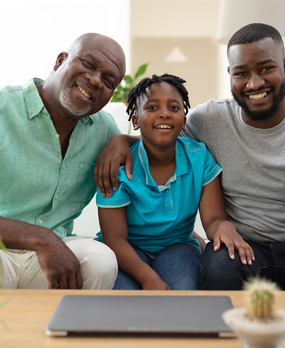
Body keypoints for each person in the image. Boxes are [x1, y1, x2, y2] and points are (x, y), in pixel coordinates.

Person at [94, 23, 285, 291]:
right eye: (241, 72)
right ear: (230, 74)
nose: (254, 82)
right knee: (219, 265)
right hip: (246, 246)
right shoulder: (210, 119)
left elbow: (167, 134)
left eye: (266, 68)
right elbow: (162, 138)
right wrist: (120, 141)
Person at [94, 73, 253, 290]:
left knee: (184, 289)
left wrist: (224, 227)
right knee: (123, 295)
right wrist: (149, 279)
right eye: (152, 108)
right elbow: (115, 240)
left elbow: (214, 218)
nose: (164, 114)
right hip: (126, 249)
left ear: (184, 121)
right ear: (136, 120)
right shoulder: (118, 166)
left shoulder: (199, 157)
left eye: (174, 108)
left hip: (178, 246)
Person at [0, 33, 126, 289]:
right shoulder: (4, 109)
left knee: (100, 261)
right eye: (88, 65)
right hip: (5, 249)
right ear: (60, 61)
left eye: (108, 80)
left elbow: (158, 150)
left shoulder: (105, 131)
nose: (94, 79)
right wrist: (41, 239)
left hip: (56, 253)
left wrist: (123, 141)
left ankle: (76, 329)